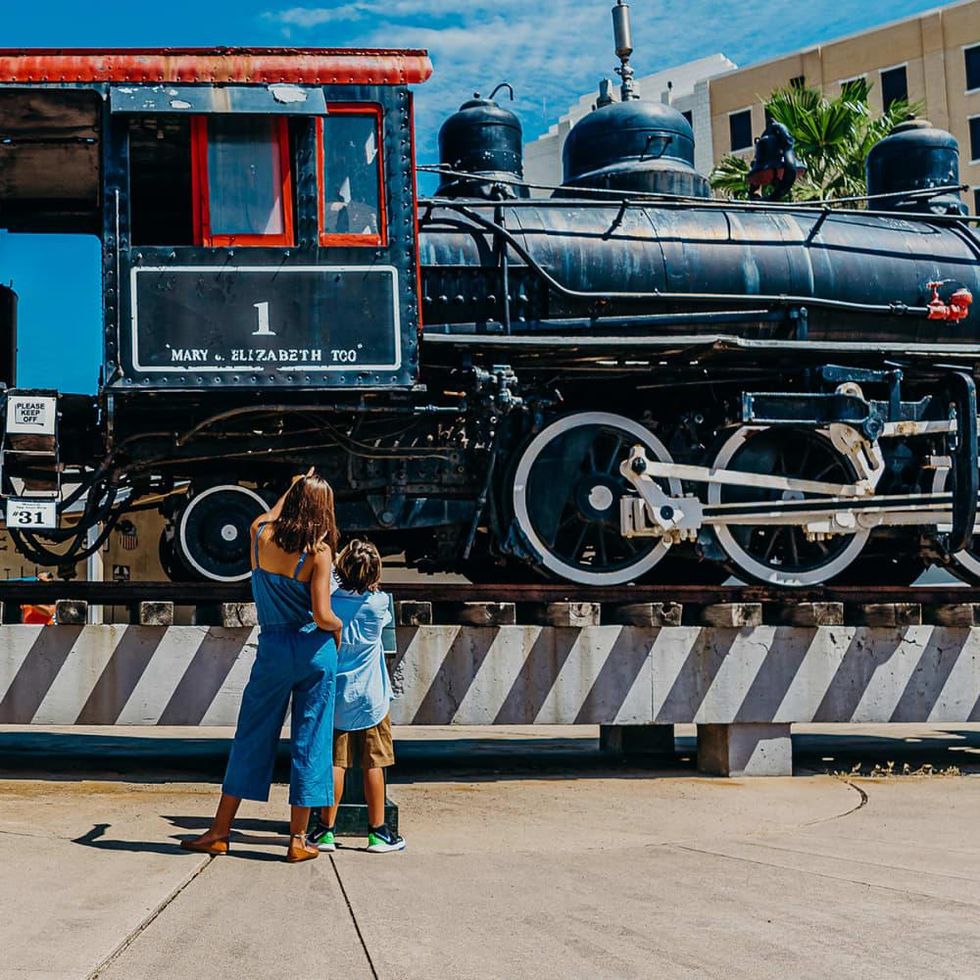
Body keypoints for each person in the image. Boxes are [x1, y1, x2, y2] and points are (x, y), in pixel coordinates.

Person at [181, 469, 344, 864]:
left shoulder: (258, 535)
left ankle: (220, 831)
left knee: (251, 736)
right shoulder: (319, 551)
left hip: (272, 647)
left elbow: (269, 516)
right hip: (313, 650)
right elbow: (322, 614)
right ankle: (298, 840)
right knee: (311, 741)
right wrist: (338, 628)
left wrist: (292, 486)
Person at [309, 539, 405, 854]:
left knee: (335, 763)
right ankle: (378, 833)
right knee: (373, 764)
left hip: (337, 695)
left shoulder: (331, 601)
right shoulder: (379, 605)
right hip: (371, 698)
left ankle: (324, 831)